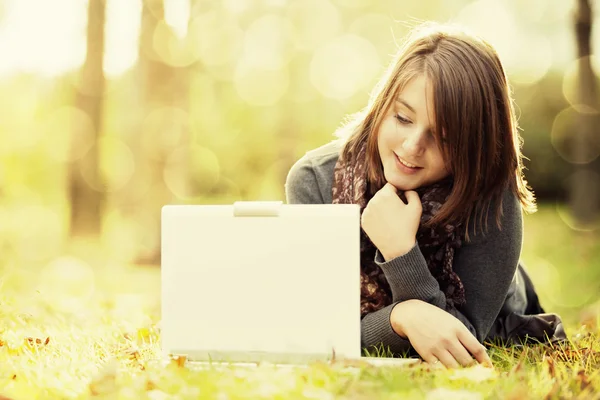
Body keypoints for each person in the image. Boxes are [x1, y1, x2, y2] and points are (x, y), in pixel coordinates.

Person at [284, 22, 566, 369]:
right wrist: (401, 317)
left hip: (503, 305)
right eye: (403, 118)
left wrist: (401, 251)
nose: (412, 147)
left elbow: (459, 339)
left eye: (443, 138)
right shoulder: (314, 180)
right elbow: (321, 330)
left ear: (473, 145)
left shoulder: (493, 199)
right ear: (382, 106)